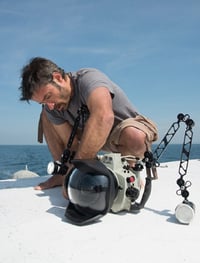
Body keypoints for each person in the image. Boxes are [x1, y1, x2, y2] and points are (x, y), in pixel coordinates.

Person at [19, 57, 158, 195]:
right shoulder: (51, 107)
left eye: (48, 96)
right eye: (42, 102)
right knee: (46, 115)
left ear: (58, 78)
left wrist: (77, 169)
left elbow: (104, 118)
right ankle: (62, 173)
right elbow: (71, 144)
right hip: (88, 135)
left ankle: (130, 173)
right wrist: (70, 171)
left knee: (134, 135)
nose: (50, 105)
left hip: (121, 133)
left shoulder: (89, 79)